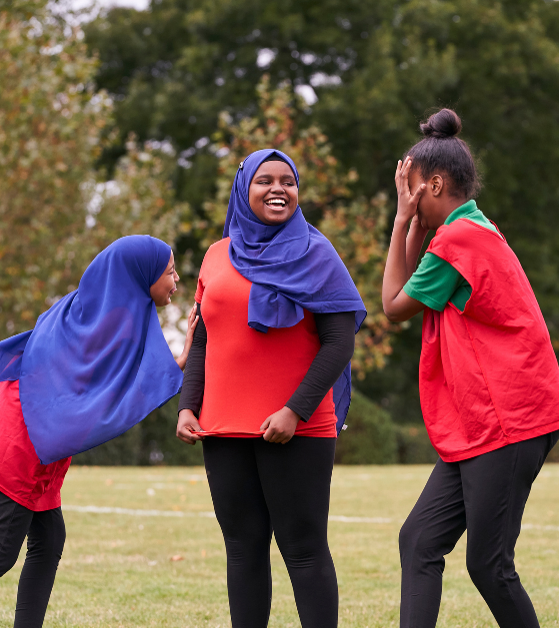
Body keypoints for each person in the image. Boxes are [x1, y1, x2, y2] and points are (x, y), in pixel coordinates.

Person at [382, 108, 559, 628]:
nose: (408, 198)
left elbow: (393, 303)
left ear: (434, 183)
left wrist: (399, 220)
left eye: (413, 188)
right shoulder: (469, 228)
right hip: (482, 424)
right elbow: (417, 274)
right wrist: (414, 219)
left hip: (507, 420)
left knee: (489, 565)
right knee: (419, 540)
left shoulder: (461, 240)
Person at [176, 148, 366, 628]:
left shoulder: (317, 253)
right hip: (221, 429)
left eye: (288, 180)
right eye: (265, 180)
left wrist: (295, 411)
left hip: (295, 429)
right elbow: (202, 339)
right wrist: (186, 407)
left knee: (303, 551)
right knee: (241, 549)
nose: (278, 188)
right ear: (244, 190)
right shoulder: (218, 256)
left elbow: (340, 341)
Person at [0, 235, 198, 628]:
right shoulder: (107, 320)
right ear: (141, 275)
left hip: (41, 436)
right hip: (22, 440)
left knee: (49, 540)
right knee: (5, 551)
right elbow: (117, 388)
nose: (176, 280)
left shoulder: (97, 309)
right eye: (169, 271)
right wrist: (182, 361)